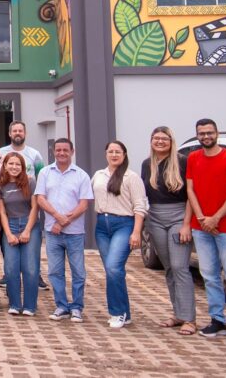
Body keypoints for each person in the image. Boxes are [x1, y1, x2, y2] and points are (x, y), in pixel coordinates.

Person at [187, 118, 226, 346]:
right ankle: (218, 320)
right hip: (201, 227)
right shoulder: (193, 158)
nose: (205, 136)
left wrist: (215, 218)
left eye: (209, 132)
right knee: (209, 276)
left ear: (217, 133)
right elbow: (191, 189)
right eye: (201, 133)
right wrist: (202, 218)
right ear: (197, 135)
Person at [141, 126, 196, 336]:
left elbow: (191, 194)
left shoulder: (183, 162)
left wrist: (187, 224)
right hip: (155, 217)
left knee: (180, 266)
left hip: (179, 216)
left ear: (171, 141)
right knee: (169, 269)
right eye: (156, 138)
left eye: (164, 138)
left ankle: (190, 319)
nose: (160, 142)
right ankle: (178, 314)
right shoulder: (148, 164)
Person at [35, 138, 92, 323]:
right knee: (54, 271)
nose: (61, 153)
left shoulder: (81, 175)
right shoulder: (45, 172)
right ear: (53, 151)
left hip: (74, 232)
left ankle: (76, 307)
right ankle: (61, 306)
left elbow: (84, 204)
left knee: (78, 272)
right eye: (58, 150)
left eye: (65, 150)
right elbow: (40, 199)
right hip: (52, 232)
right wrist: (56, 216)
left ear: (72, 152)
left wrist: (63, 221)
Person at [92, 140, 147, 328]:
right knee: (112, 270)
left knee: (114, 267)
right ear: (106, 154)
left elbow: (140, 206)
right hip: (101, 226)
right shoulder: (98, 175)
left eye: (118, 152)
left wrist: (136, 232)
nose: (114, 155)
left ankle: (117, 312)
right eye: (111, 151)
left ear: (124, 155)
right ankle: (125, 312)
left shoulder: (131, 177)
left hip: (123, 224)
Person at [0, 121, 48, 291]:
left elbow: (41, 175)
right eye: (15, 131)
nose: (17, 133)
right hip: (9, 203)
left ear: (25, 133)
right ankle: (9, 275)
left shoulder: (34, 154)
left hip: (28, 203)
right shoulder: (1, 153)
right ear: (9, 133)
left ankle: (36, 276)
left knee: (31, 250)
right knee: (9, 246)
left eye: (20, 130)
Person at [0, 152, 39, 316]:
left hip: (30, 225)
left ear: (22, 167)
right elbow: (2, 212)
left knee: (30, 268)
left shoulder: (30, 182)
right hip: (11, 225)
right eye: (11, 164)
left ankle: (30, 306)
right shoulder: (0, 185)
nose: (14, 167)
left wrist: (27, 231)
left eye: (18, 164)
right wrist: (8, 234)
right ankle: (15, 304)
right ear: (5, 165)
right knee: (10, 268)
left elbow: (35, 208)